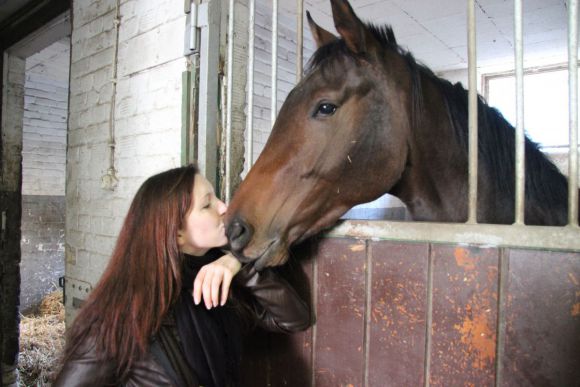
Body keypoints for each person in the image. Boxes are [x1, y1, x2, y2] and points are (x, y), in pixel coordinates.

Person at [53, 164, 311, 387]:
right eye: (208, 204)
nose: (224, 207)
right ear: (176, 232)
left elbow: (294, 319)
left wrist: (239, 264)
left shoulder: (216, 278)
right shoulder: (119, 314)